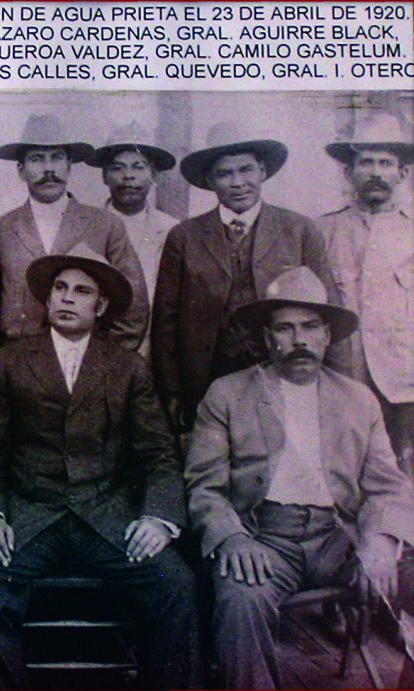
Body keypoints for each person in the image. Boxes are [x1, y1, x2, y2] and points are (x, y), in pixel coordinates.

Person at [0, 244, 199, 690]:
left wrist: (158, 518)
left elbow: (159, 455)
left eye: (82, 291)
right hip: (30, 513)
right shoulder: (8, 361)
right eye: (60, 288)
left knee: (175, 583)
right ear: (47, 299)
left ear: (101, 307)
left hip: (106, 515)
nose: (67, 298)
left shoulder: (128, 367)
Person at [184, 265, 414, 689]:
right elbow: (204, 485)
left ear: (327, 335)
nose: (299, 340)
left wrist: (382, 539)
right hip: (265, 538)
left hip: (339, 538)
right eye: (285, 328)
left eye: (310, 327)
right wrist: (232, 538)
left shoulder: (358, 399)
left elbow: (388, 485)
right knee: (240, 597)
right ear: (267, 338)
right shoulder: (228, 394)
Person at [152, 121, 345, 432]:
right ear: (210, 181)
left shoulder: (298, 230)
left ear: (262, 172)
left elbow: (329, 309)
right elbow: (166, 319)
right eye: (225, 174)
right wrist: (171, 390)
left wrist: (335, 383)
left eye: (246, 170)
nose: (238, 182)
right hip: (207, 375)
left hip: (281, 368)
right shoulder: (184, 236)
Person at [0, 113, 149, 350]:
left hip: (86, 363)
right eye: (36, 159)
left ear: (69, 166)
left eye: (57, 158)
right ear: (21, 170)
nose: (48, 168)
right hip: (17, 361)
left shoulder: (105, 225)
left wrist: (106, 362)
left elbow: (133, 306)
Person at [319, 112, 414, 477]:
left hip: (405, 382)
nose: (376, 172)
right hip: (346, 375)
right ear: (349, 172)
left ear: (402, 173)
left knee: (405, 472)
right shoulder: (323, 231)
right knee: (348, 471)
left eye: (386, 163)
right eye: (366, 162)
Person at [87, 121, 179, 359]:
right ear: (105, 176)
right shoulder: (87, 227)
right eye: (117, 168)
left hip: (155, 351)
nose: (128, 176)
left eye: (139, 167)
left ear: (154, 175)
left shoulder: (172, 230)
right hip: (96, 351)